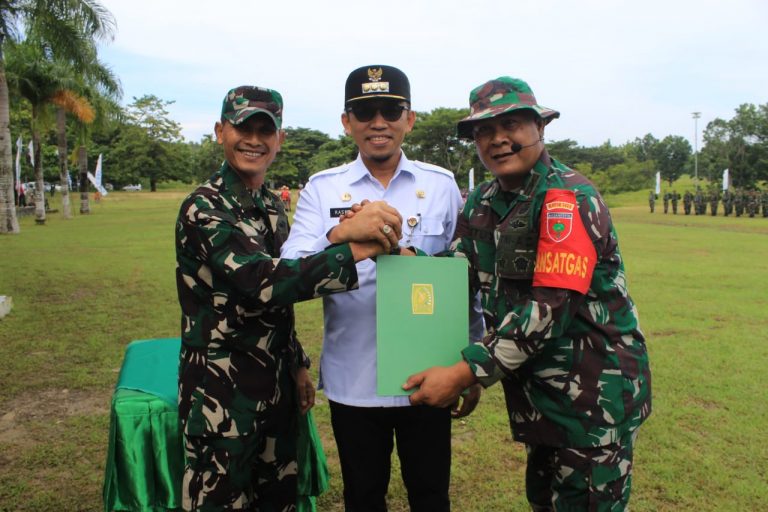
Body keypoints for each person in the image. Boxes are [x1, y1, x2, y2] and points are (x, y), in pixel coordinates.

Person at [404, 76, 652, 511]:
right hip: (540, 398)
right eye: (484, 130)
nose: (498, 139)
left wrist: (465, 372)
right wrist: (397, 255)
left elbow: (549, 309)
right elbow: (455, 272)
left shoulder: (566, 197)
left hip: (592, 400)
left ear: (540, 127)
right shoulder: (483, 200)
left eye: (512, 125)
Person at [174, 85, 403, 511]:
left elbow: (279, 305)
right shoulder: (204, 207)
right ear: (220, 132)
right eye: (243, 128)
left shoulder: (270, 206)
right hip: (221, 394)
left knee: (278, 499)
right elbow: (262, 282)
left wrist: (296, 363)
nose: (254, 140)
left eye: (266, 131)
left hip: (276, 387)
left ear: (279, 139)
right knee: (219, 502)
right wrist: (353, 246)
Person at [281, 65, 484, 512]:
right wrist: (341, 236)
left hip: (428, 372)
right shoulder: (323, 188)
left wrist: (470, 361)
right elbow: (290, 270)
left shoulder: (440, 185)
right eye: (365, 111)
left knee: (431, 495)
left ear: (409, 119)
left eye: (391, 111)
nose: (378, 122)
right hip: (355, 379)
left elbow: (463, 279)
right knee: (363, 496)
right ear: (346, 121)